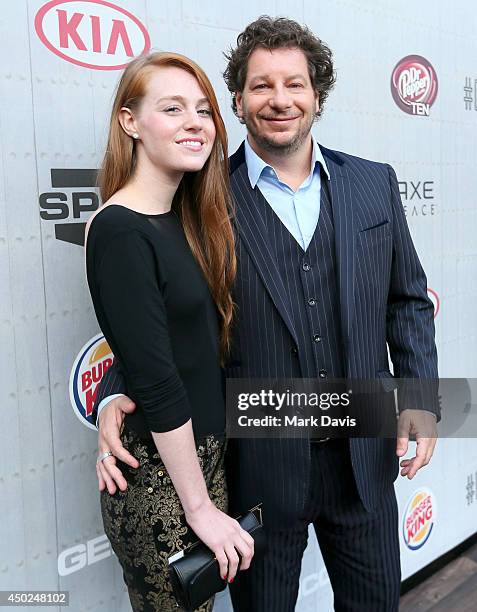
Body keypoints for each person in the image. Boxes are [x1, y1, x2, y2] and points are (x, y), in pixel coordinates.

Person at [93, 17, 439, 612]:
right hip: (258, 462)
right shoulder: (203, 198)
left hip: (364, 456)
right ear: (237, 99)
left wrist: (422, 399)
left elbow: (407, 300)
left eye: (295, 84)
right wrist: (117, 395)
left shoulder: (373, 185)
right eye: (261, 86)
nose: (279, 100)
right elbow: (171, 317)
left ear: (317, 96)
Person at [84, 51, 254, 612]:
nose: (194, 122)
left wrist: (113, 387)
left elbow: (168, 343)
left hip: (199, 465)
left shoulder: (185, 218)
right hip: (163, 478)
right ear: (129, 122)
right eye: (173, 108)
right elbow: (157, 380)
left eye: (203, 110)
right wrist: (200, 507)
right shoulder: (119, 230)